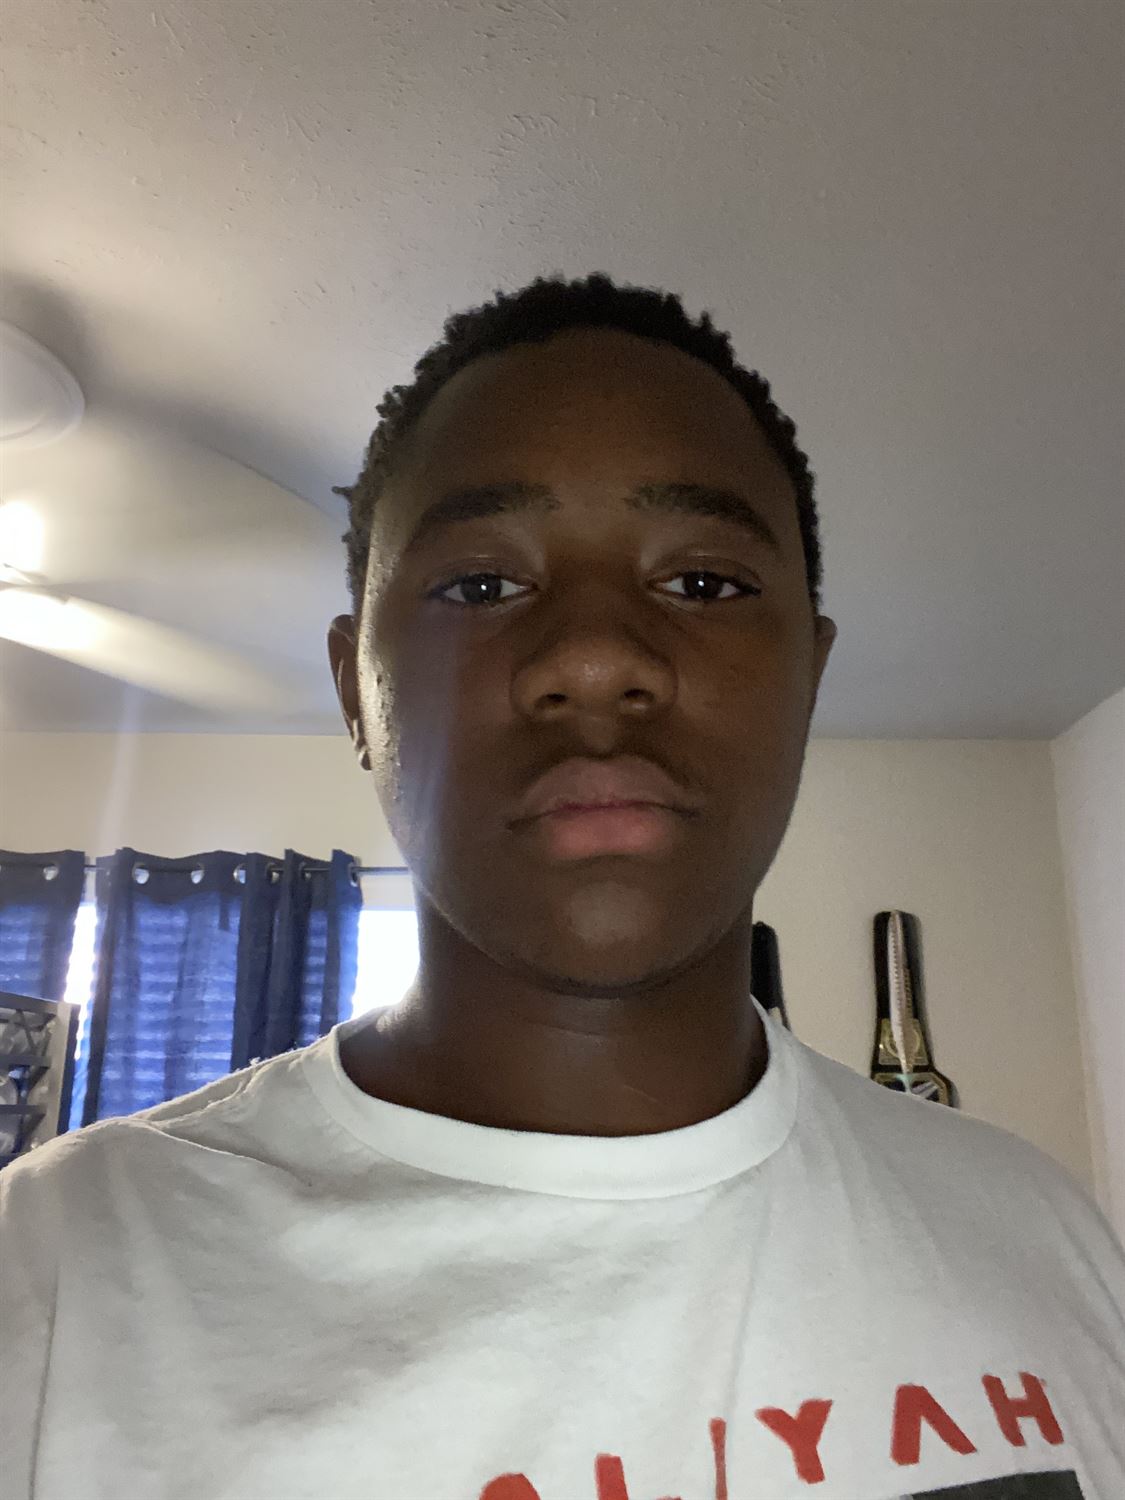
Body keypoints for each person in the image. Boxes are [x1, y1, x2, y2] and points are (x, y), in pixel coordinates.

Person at [2, 274, 1123, 1500]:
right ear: (355, 690)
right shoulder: (56, 1272)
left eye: (704, 583)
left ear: (809, 676)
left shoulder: (1047, 1234)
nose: (594, 658)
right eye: (481, 586)